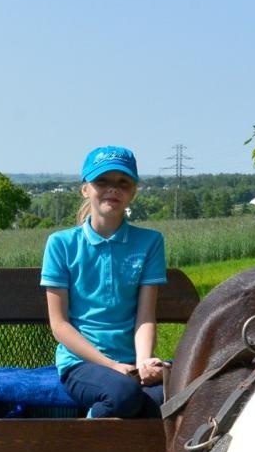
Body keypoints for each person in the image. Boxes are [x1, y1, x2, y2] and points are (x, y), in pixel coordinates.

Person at [41, 145, 167, 419]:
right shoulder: (61, 244)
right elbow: (59, 325)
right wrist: (111, 365)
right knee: (123, 395)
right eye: (102, 181)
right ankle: (81, 448)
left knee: (166, 400)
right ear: (85, 188)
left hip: (132, 362)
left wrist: (144, 362)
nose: (113, 189)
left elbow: (145, 317)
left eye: (123, 182)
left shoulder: (150, 242)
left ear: (133, 191)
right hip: (81, 363)